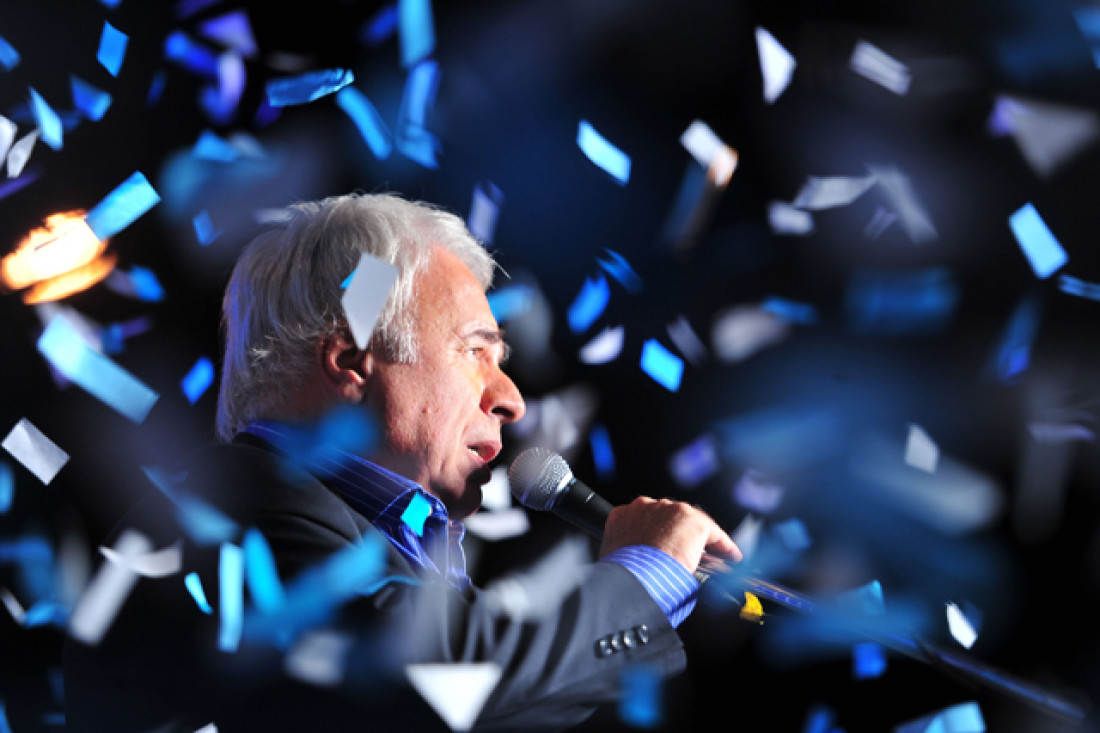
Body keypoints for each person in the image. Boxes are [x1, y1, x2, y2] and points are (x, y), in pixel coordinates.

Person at [62, 192, 742, 732]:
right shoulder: (229, 509)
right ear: (353, 360)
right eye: (475, 351)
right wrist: (642, 578)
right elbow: (427, 679)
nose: (510, 399)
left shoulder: (387, 550)